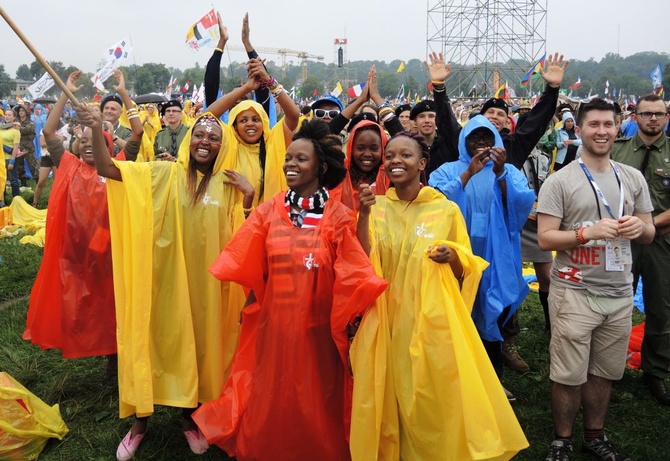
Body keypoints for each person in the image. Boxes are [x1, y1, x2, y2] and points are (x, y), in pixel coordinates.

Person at [78, 86, 257, 460]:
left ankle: (190, 417)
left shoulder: (227, 183)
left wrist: (248, 199)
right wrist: (97, 128)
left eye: (213, 137)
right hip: (164, 282)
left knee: (201, 349)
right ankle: (141, 422)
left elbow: (243, 238)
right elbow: (107, 168)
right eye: (200, 135)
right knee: (155, 343)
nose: (205, 142)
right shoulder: (163, 173)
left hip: (206, 287)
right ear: (189, 140)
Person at [192, 119, 387, 461]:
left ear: (320, 167)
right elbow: (248, 260)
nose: (290, 164)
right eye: (289, 158)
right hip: (275, 326)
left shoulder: (339, 216)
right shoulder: (270, 210)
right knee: (274, 393)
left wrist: (365, 217)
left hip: (320, 331)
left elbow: (359, 267)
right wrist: (252, 311)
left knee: (316, 397)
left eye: (301, 159)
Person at [350, 131, 528, 460]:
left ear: (422, 163)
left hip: (427, 318)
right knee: (386, 388)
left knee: (425, 393)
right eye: (390, 156)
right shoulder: (376, 209)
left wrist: (453, 256)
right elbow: (361, 259)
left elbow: (468, 269)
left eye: (405, 155)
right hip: (384, 316)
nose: (395, 161)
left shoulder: (443, 210)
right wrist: (362, 216)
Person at [537, 98, 654, 461]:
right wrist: (585, 235)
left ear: (618, 126)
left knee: (604, 371)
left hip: (619, 292)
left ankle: (595, 436)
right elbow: (544, 238)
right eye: (594, 125)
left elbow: (649, 232)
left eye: (608, 124)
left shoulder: (631, 177)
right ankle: (563, 440)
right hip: (575, 290)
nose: (601, 131)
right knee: (569, 373)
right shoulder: (560, 181)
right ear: (580, 129)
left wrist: (639, 227)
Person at [23, 70, 142, 364]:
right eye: (85, 140)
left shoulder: (120, 167)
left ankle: (115, 359)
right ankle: (81, 341)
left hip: (111, 254)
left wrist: (124, 94)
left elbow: (137, 134)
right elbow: (49, 133)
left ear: (110, 145)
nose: (89, 145)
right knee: (78, 304)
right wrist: (66, 91)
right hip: (76, 254)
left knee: (113, 305)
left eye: (97, 140)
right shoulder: (68, 164)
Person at [429, 115, 535, 398]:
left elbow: (522, 203)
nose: (481, 144)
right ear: (464, 142)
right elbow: (433, 202)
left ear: (497, 142)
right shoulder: (448, 170)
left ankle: (491, 383)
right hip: (456, 258)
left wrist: (500, 175)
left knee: (491, 314)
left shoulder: (509, 171)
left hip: (495, 256)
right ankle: (456, 384)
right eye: (475, 138)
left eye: (487, 138)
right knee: (456, 316)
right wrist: (466, 176)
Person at [611, 93, 670, 405]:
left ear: (666, 116)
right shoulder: (618, 150)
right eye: (647, 114)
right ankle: (609, 368)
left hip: (662, 242)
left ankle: (655, 372)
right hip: (622, 242)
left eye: (659, 114)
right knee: (617, 304)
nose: (653, 120)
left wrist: (649, 224)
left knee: (661, 309)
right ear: (635, 117)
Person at [1, 107, 21, 202]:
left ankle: (16, 200)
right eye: (6, 115)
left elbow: (16, 147)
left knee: (13, 180)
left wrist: (12, 161)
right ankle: (2, 200)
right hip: (1, 159)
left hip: (9, 158)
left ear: (14, 117)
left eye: (10, 115)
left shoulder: (15, 131)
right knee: (2, 180)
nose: (7, 117)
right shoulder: (2, 128)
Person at [15, 105, 39, 185]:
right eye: (19, 111)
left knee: (33, 166)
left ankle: (38, 182)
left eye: (23, 110)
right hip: (18, 147)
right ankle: (23, 184)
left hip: (28, 147)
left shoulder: (30, 121)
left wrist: (19, 128)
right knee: (20, 167)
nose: (21, 112)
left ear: (26, 112)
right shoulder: (16, 121)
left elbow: (30, 130)